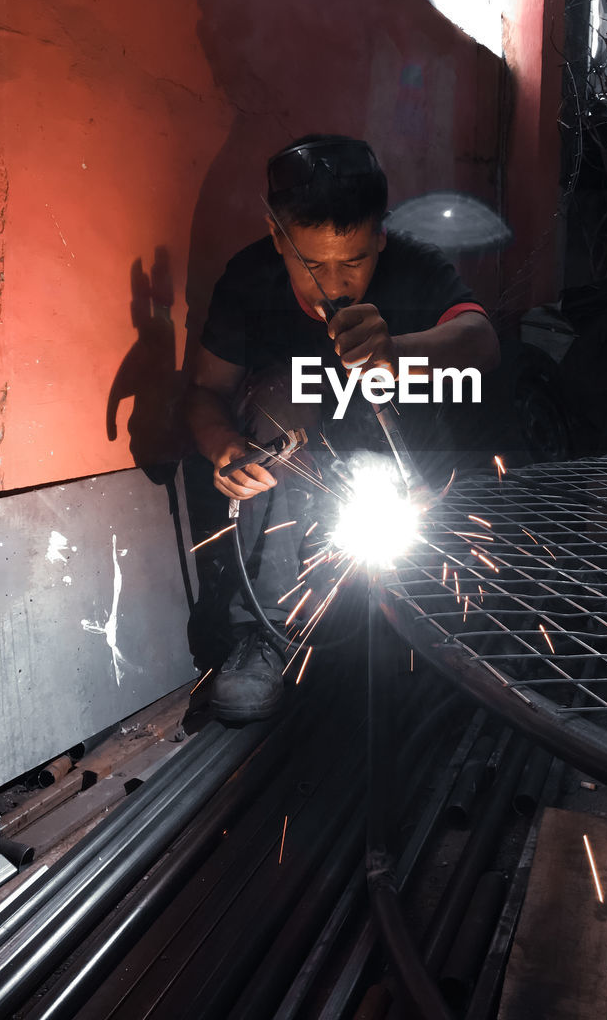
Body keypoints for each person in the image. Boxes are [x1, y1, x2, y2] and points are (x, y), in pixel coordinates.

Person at [184, 134, 500, 721]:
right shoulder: (249, 281)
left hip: (400, 467)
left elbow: (482, 341)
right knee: (281, 393)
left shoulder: (415, 268)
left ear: (380, 235)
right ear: (278, 236)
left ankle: (417, 615)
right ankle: (266, 630)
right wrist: (226, 451)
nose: (333, 284)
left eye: (354, 261)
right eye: (313, 264)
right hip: (301, 468)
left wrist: (398, 352)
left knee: (419, 624)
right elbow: (206, 389)